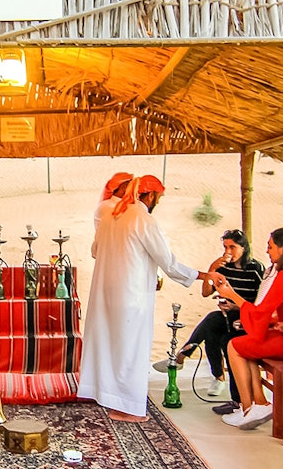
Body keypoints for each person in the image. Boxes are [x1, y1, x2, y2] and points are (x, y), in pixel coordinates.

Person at [78, 175, 208, 422]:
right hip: (131, 294)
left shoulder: (110, 215)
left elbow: (95, 250)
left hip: (106, 293)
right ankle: (128, 408)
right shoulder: (143, 219)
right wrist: (201, 275)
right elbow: (168, 262)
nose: (158, 201)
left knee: (112, 346)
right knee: (131, 350)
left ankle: (111, 399)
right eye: (158, 197)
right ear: (150, 196)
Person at [210, 227, 283, 431]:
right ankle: (259, 404)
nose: (267, 251)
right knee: (247, 345)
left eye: (270, 246)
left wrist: (231, 294)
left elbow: (262, 311)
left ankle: (248, 407)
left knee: (234, 346)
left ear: (282, 249)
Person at [152, 229, 265, 404]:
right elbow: (205, 292)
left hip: (246, 317)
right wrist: (212, 270)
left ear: (244, 248)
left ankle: (182, 357)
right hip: (227, 314)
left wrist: (236, 305)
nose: (227, 252)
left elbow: (260, 302)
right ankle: (218, 378)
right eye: (225, 247)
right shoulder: (223, 267)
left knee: (216, 327)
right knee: (212, 330)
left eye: (232, 247)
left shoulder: (255, 269)